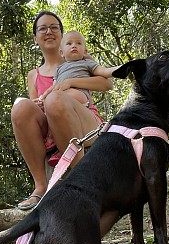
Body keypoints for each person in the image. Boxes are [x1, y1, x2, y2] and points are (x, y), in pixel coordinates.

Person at [11, 12, 113, 210]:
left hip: (85, 123)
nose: (49, 31)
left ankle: (82, 182)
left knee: (55, 99)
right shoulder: (33, 75)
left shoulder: (76, 57)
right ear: (35, 38)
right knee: (21, 107)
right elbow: (34, 107)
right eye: (43, 28)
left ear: (61, 34)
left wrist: (69, 83)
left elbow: (107, 83)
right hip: (52, 130)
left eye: (54, 27)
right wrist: (39, 103)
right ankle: (40, 188)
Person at [40, 30, 119, 107]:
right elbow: (54, 87)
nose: (74, 45)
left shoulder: (87, 62)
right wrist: (43, 98)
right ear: (61, 53)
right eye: (69, 43)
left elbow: (104, 71)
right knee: (52, 98)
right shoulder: (59, 69)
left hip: (78, 94)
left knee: (60, 98)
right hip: (59, 96)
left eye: (79, 43)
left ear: (85, 51)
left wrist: (119, 68)